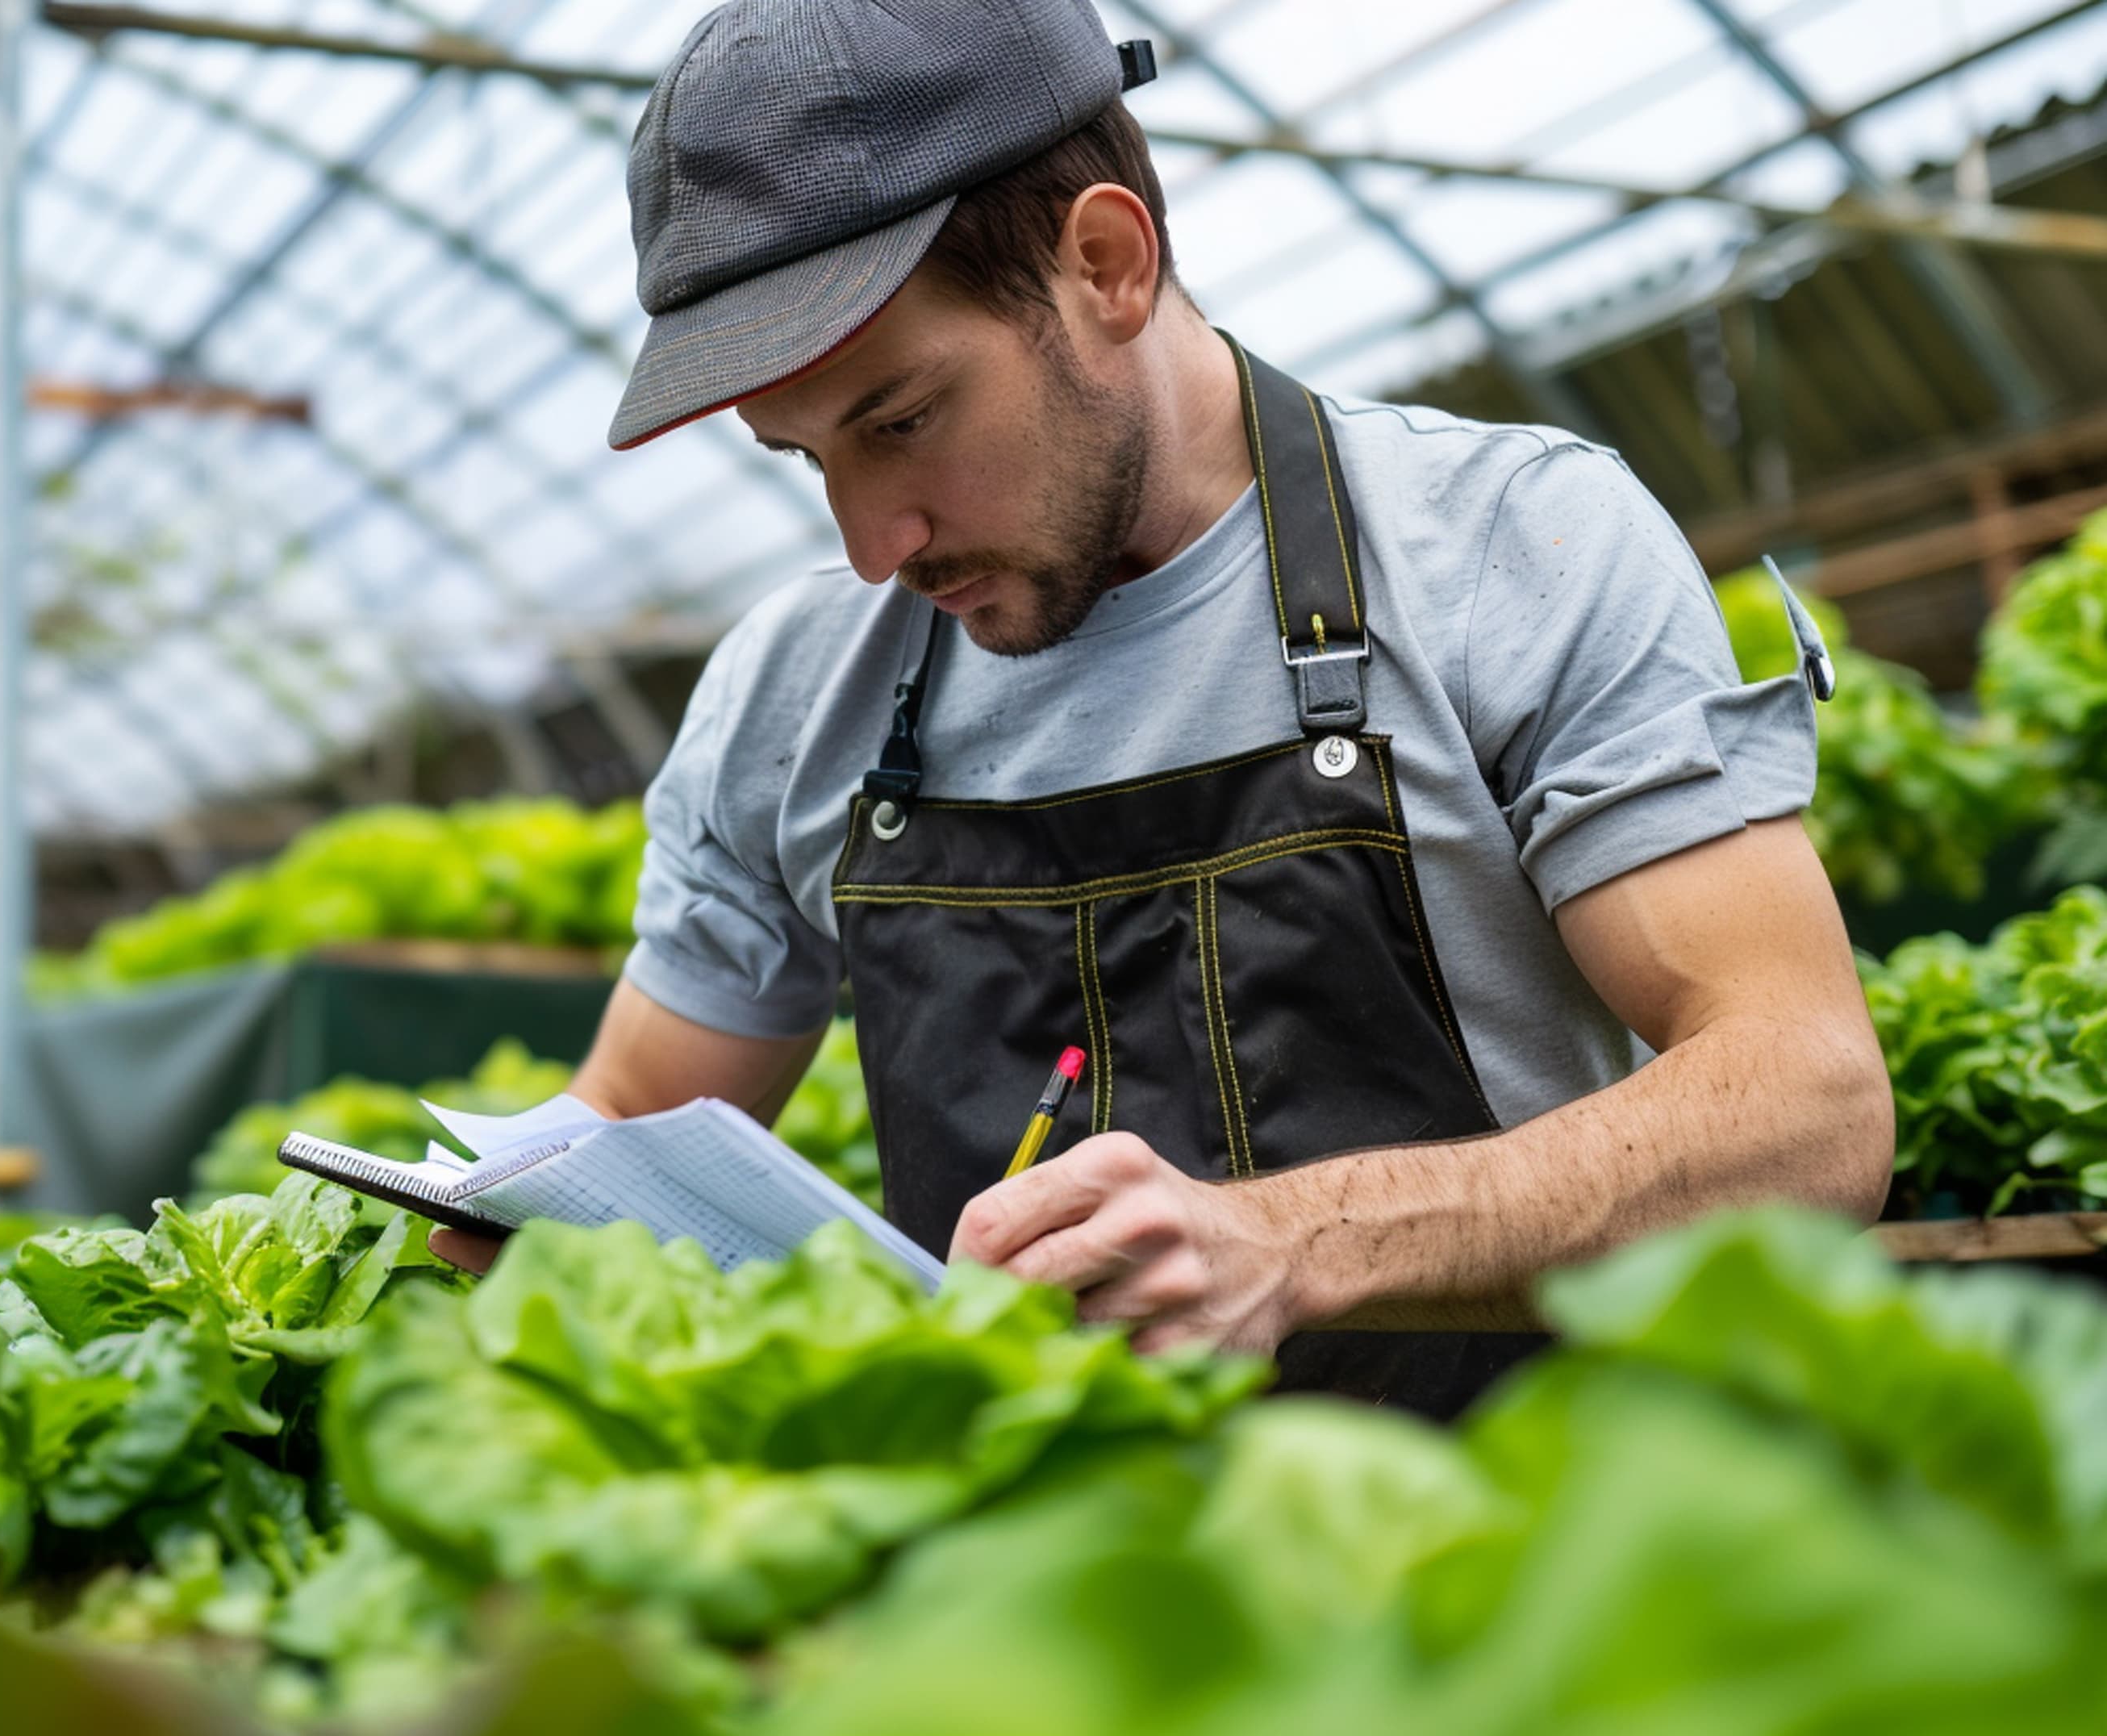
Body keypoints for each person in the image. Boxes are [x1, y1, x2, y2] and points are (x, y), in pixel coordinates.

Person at [433, 0, 1892, 1415]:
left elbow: (1807, 1110)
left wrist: (1294, 1243)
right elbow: (627, 1117)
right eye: (806, 458)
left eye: (900, 420)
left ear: (1108, 264)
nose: (875, 538)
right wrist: (501, 1233)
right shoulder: (791, 696)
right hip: (1043, 1616)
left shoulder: (1508, 550)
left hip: (1514, 1584)